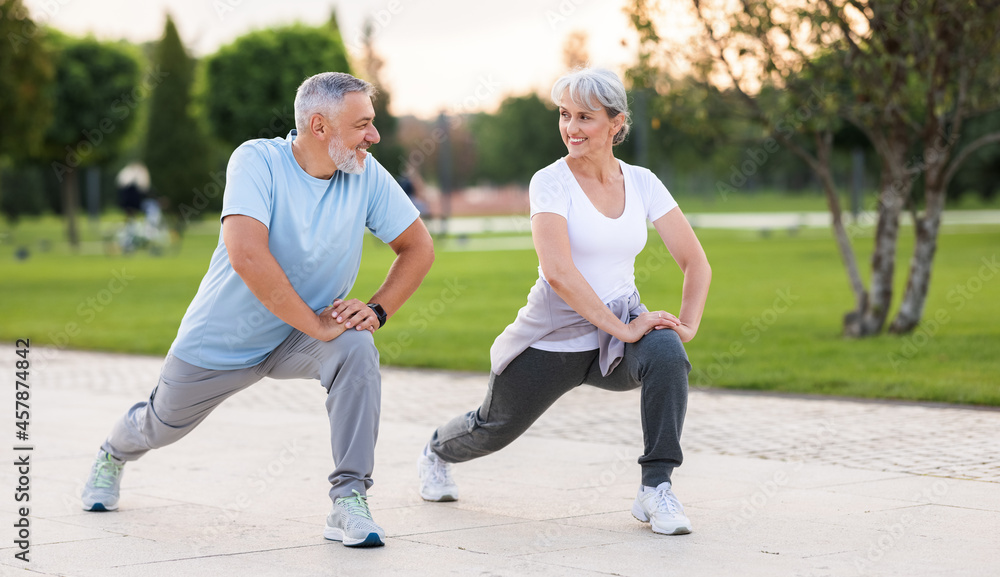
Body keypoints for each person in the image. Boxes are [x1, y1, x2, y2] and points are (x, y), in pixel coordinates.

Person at [81, 72, 435, 548]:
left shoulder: (364, 173)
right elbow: (248, 255)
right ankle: (112, 454)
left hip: (300, 339)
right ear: (319, 126)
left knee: (356, 348)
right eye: (362, 125)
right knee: (159, 425)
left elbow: (417, 247)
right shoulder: (256, 161)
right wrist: (314, 322)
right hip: (224, 340)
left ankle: (349, 499)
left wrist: (376, 309)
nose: (373, 136)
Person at [417, 68, 711, 536]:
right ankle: (436, 451)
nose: (571, 128)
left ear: (616, 123)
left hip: (616, 333)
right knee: (493, 428)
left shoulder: (643, 183)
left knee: (668, 353)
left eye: (585, 117)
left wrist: (686, 326)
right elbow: (558, 272)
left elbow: (696, 262)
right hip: (554, 337)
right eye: (564, 114)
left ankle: (655, 488)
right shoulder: (550, 182)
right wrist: (627, 329)